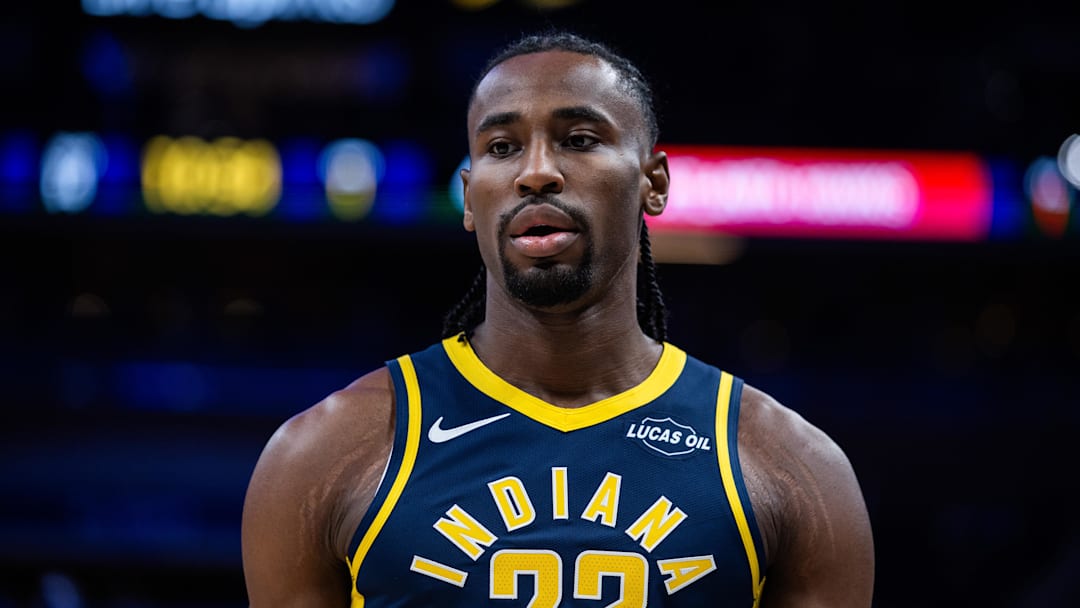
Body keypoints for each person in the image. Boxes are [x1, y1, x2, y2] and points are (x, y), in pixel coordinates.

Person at [241, 31, 875, 607]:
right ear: (469, 196)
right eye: (502, 148)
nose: (536, 173)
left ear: (654, 183)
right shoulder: (323, 455)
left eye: (579, 140)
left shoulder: (792, 466)